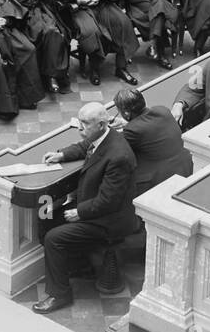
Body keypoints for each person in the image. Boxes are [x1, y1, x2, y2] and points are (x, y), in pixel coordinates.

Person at [32, 102, 139, 314]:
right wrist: (61, 154)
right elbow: (85, 147)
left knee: (54, 238)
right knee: (45, 216)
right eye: (79, 122)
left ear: (101, 124)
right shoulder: (102, 136)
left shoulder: (118, 156)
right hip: (92, 205)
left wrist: (79, 212)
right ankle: (79, 265)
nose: (80, 128)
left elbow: (109, 201)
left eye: (85, 123)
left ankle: (59, 294)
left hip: (109, 220)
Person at [114, 87, 192, 191]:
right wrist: (126, 123)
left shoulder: (132, 130)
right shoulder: (162, 110)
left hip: (159, 181)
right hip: (185, 168)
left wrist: (105, 128)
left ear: (126, 113)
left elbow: (115, 145)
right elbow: (147, 125)